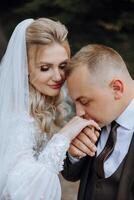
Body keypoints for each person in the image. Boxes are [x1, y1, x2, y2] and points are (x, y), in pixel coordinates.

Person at [0, 19, 100, 200]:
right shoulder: (17, 116)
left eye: (63, 66)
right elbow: (22, 190)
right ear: (25, 68)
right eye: (45, 68)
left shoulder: (47, 98)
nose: (58, 77)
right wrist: (63, 137)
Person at [62, 44, 134, 200]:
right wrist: (74, 154)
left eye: (85, 101)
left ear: (117, 88)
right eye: (76, 103)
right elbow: (70, 174)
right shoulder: (95, 120)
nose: (79, 112)